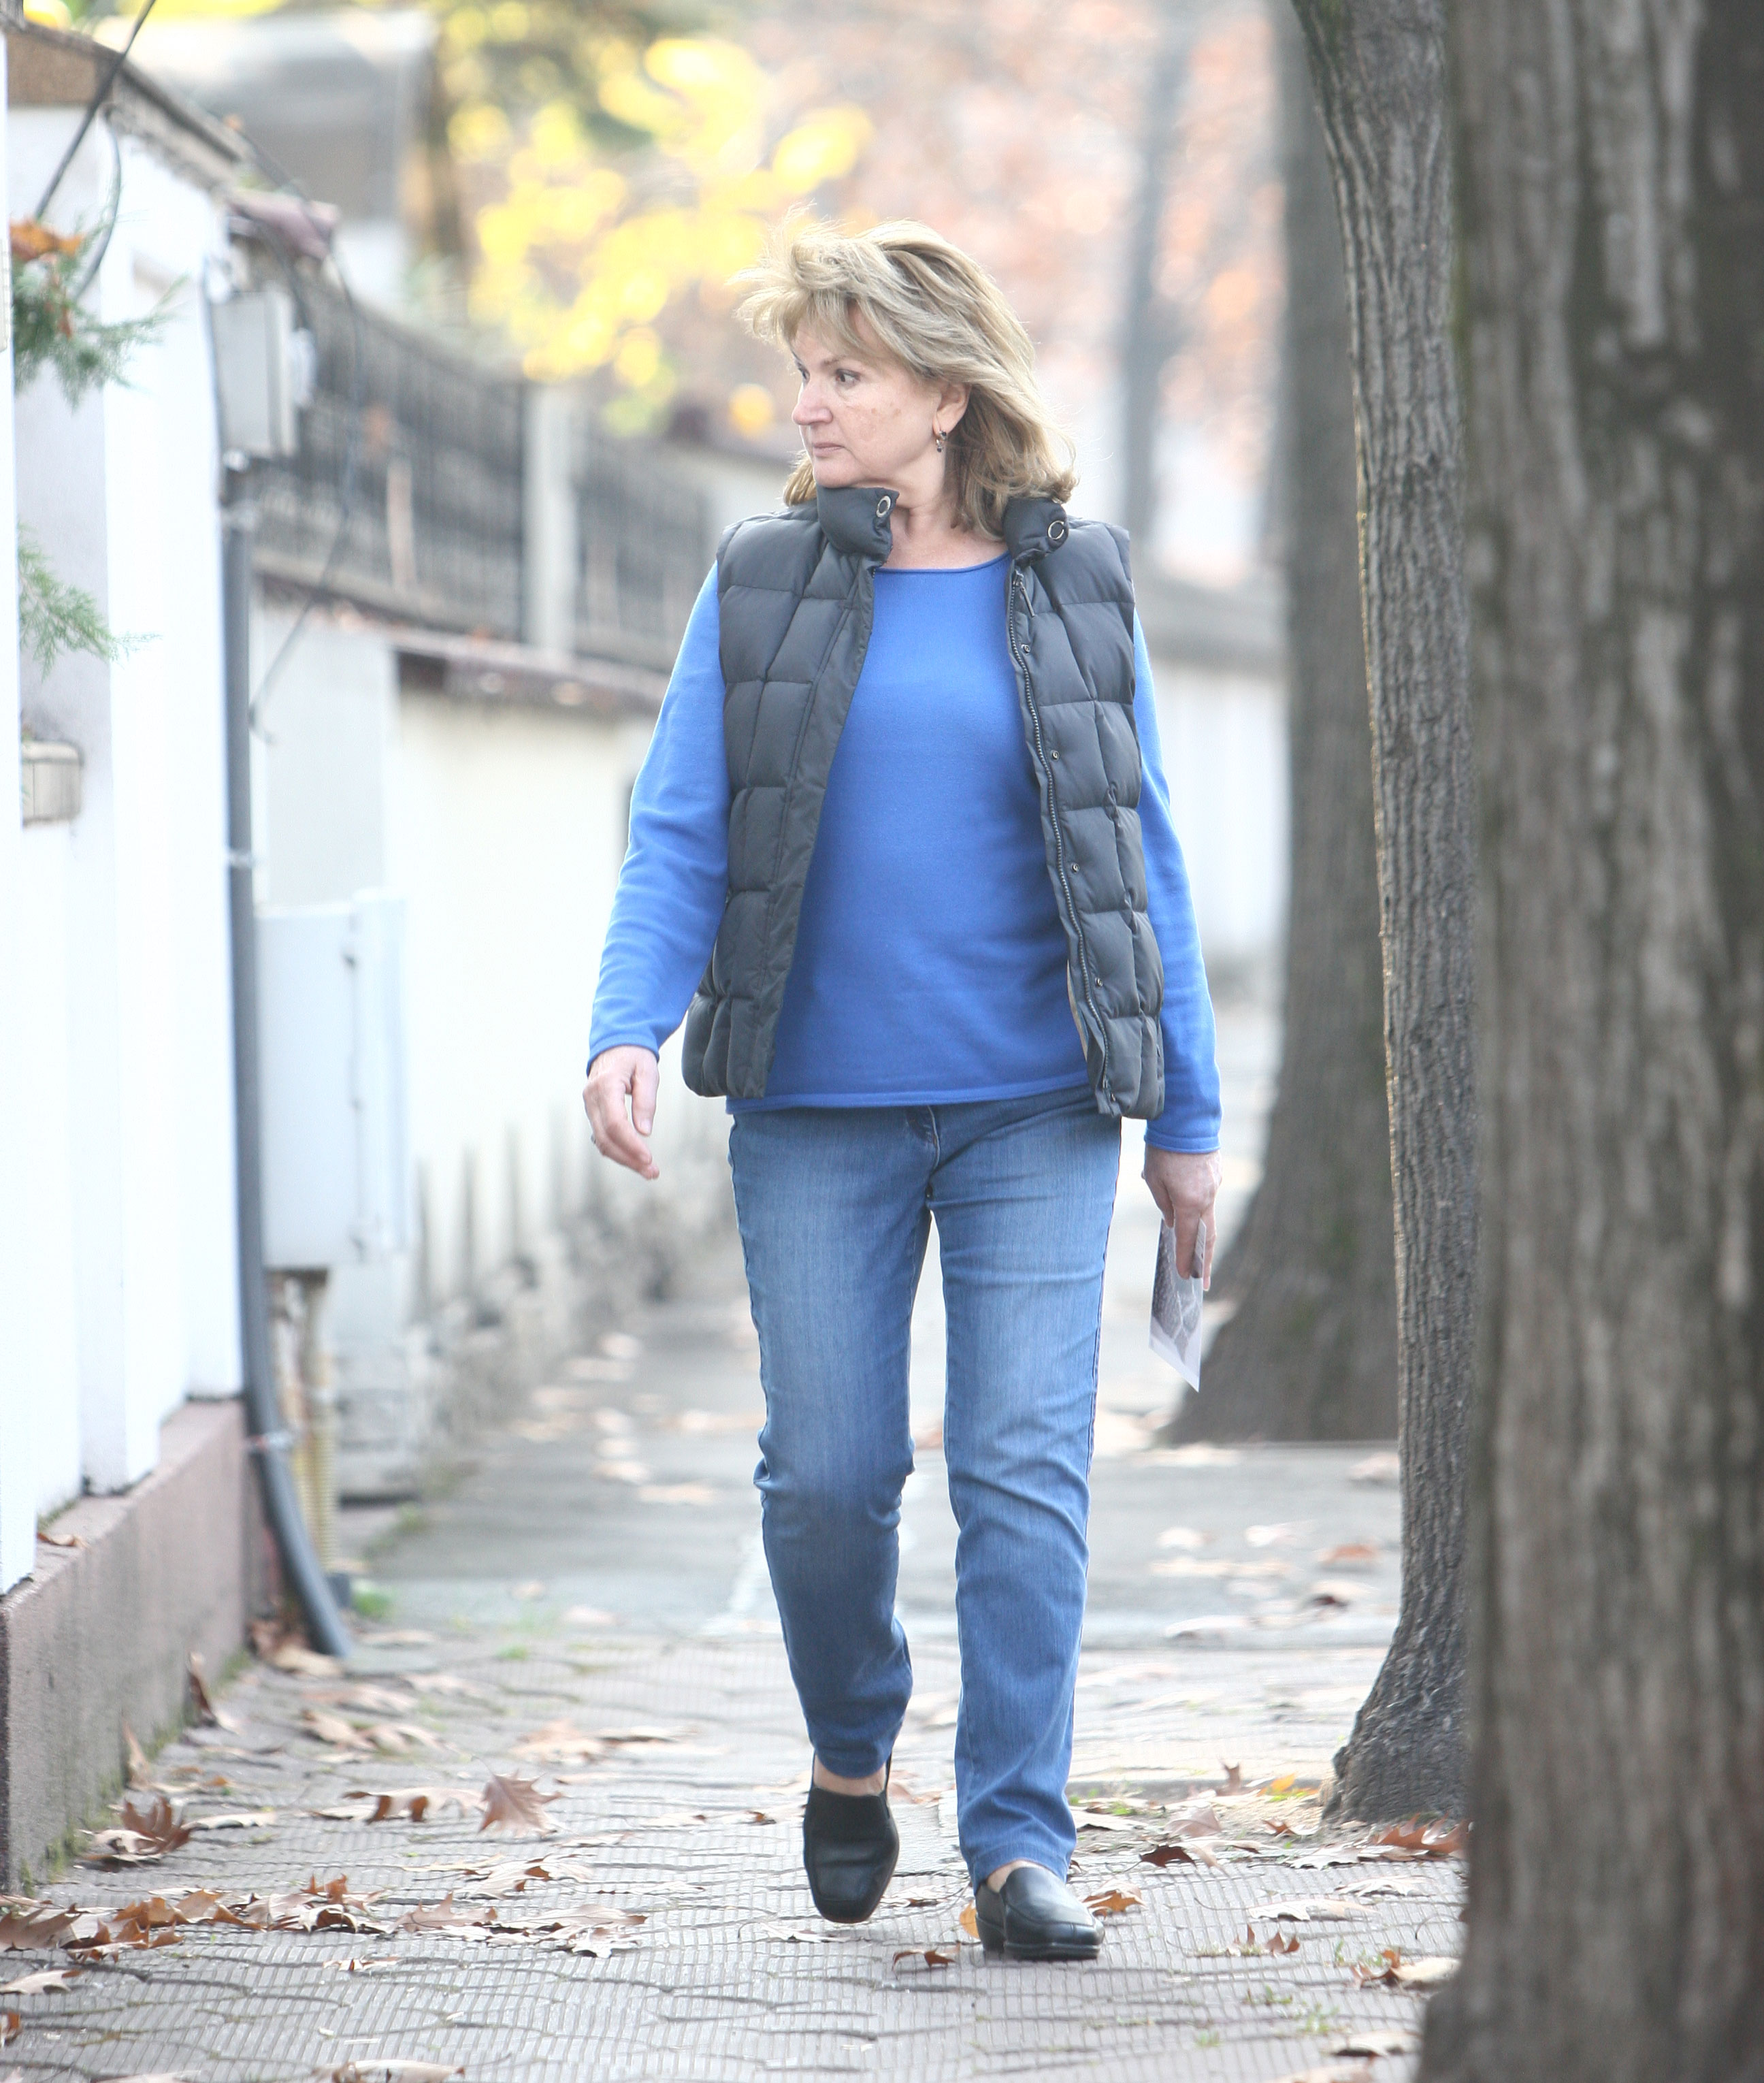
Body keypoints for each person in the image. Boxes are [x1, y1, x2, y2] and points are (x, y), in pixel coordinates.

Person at [584, 219, 1221, 1963]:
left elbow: (1145, 862)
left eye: (844, 372)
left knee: (1022, 1473)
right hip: (813, 1107)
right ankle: (851, 1744)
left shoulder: (1077, 582)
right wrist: (625, 1025)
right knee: (828, 1475)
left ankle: (1018, 1840)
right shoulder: (761, 579)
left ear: (947, 395)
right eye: (804, 370)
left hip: (1036, 1106)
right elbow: (682, 832)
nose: (807, 403)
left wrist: (1187, 1121)